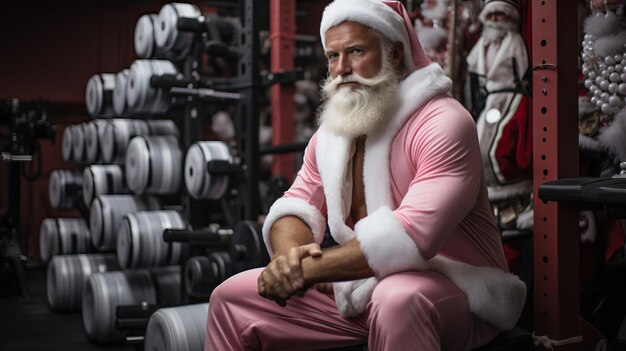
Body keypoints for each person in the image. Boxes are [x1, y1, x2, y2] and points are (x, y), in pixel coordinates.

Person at [205, 1, 526, 350]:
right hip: (363, 288)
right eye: (333, 56)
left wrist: (310, 271)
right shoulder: (332, 136)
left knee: (398, 298)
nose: (341, 69)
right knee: (231, 298)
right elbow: (296, 206)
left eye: (356, 51)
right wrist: (288, 260)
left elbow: (411, 238)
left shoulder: (444, 123)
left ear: (396, 53)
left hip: (462, 288)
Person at [465, 0, 533, 277]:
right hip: (488, 102)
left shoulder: (514, 44)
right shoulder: (481, 47)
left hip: (517, 202)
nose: (494, 19)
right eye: (489, 14)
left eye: (499, 14)